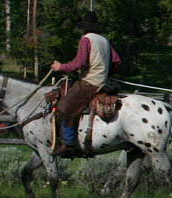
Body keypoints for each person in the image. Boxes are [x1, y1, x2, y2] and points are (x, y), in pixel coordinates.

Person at [50, 10, 121, 156]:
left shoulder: (86, 40)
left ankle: (68, 143)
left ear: (83, 28)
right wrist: (107, 74)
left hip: (90, 81)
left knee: (64, 106)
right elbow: (117, 62)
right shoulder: (104, 41)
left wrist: (60, 67)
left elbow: (79, 63)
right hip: (102, 81)